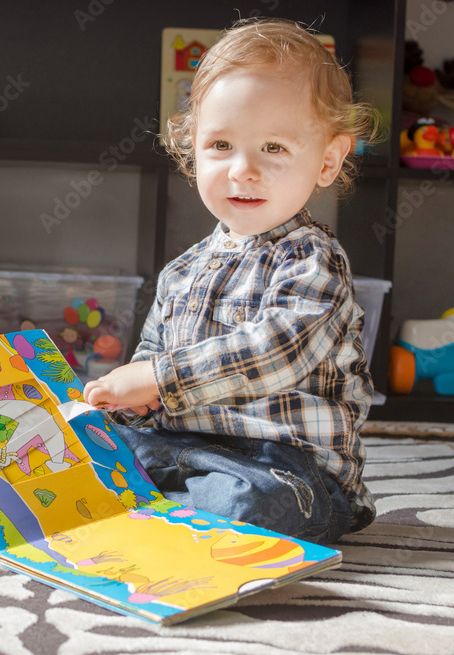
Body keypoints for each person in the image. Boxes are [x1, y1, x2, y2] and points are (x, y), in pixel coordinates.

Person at [82, 17, 381, 545]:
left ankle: (161, 516)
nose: (243, 169)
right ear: (191, 148)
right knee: (85, 455)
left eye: (274, 148)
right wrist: (127, 400)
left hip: (283, 463)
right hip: (184, 446)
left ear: (328, 160)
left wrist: (161, 380)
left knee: (250, 504)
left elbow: (280, 350)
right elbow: (151, 358)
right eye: (221, 145)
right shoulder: (182, 270)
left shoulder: (313, 259)